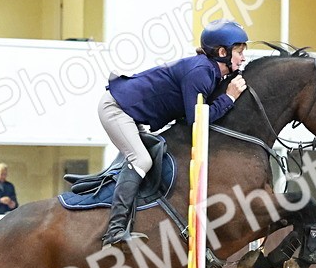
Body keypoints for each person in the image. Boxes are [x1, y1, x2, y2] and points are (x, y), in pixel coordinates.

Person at [98, 19, 249, 247]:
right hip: (117, 108)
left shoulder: (211, 72)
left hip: (129, 112)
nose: (243, 58)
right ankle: (115, 231)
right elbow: (196, 120)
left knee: (150, 161)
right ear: (222, 52)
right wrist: (228, 98)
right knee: (141, 160)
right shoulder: (201, 72)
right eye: (239, 52)